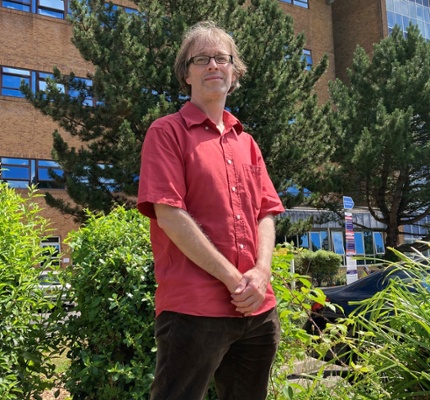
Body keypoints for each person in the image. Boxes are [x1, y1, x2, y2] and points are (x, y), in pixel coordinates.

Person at [137, 20, 285, 400]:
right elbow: (169, 213)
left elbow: (266, 212)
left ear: (235, 71)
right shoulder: (166, 132)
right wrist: (235, 278)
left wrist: (261, 273)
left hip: (257, 309)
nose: (213, 66)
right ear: (186, 74)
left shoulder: (248, 143)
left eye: (222, 58)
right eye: (201, 59)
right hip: (194, 309)